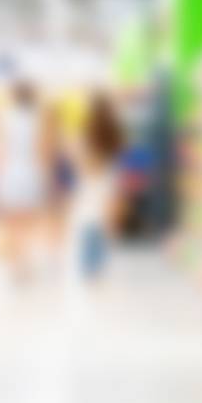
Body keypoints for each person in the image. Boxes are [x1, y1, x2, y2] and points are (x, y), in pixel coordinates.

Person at [0, 82, 50, 279]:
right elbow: (42, 151)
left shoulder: (5, 118)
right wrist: (44, 177)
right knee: (27, 221)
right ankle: (23, 261)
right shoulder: (38, 119)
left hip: (9, 173)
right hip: (30, 172)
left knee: (10, 221)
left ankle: (15, 262)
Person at [68, 91, 125, 284]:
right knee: (102, 224)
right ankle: (99, 266)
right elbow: (121, 156)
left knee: (87, 223)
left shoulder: (85, 132)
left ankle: (87, 268)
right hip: (109, 179)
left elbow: (78, 159)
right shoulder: (115, 131)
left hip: (88, 181)